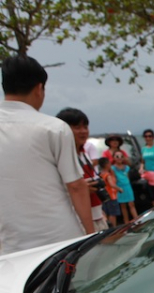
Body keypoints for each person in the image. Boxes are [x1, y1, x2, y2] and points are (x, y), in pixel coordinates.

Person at [0, 55, 93, 254]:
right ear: (39, 88)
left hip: (9, 244)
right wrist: (91, 236)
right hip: (58, 239)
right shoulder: (53, 128)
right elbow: (76, 187)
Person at [56, 107, 109, 232]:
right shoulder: (60, 155)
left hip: (96, 215)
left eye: (85, 127)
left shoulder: (83, 153)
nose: (83, 131)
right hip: (78, 221)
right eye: (77, 127)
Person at [113, 151, 138, 223]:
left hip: (127, 186)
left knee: (131, 204)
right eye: (117, 156)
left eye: (121, 156)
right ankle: (126, 221)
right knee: (123, 206)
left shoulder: (126, 167)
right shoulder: (113, 168)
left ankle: (136, 219)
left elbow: (128, 175)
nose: (119, 158)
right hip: (120, 187)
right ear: (114, 158)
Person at [98, 157, 122, 227]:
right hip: (112, 196)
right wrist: (119, 189)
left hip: (105, 196)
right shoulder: (107, 175)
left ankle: (108, 226)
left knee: (107, 213)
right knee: (113, 214)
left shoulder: (101, 174)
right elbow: (112, 184)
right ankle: (113, 228)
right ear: (106, 164)